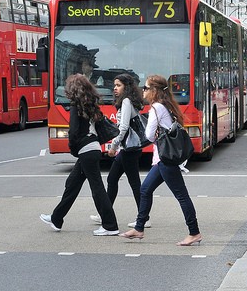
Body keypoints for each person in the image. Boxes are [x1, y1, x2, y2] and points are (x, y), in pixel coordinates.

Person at [120, 74, 202, 246]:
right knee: (145, 189)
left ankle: (194, 232)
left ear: (154, 90)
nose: (143, 90)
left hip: (166, 159)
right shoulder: (166, 105)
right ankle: (139, 227)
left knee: (181, 196)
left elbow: (149, 136)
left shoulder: (156, 108)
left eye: (147, 88)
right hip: (161, 159)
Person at [39, 74, 119, 236]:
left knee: (97, 188)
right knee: (72, 183)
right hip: (93, 147)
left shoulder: (76, 105)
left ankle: (110, 225)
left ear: (72, 89)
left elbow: (74, 132)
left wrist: (73, 148)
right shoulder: (90, 104)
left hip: (86, 150)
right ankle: (56, 218)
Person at [90, 74, 149, 228]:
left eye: (119, 85)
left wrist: (114, 146)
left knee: (133, 183)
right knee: (113, 179)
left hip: (129, 149)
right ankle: (105, 214)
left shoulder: (127, 101)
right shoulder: (127, 101)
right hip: (128, 149)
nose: (115, 88)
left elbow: (123, 127)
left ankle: (143, 217)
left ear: (126, 87)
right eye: (114, 85)